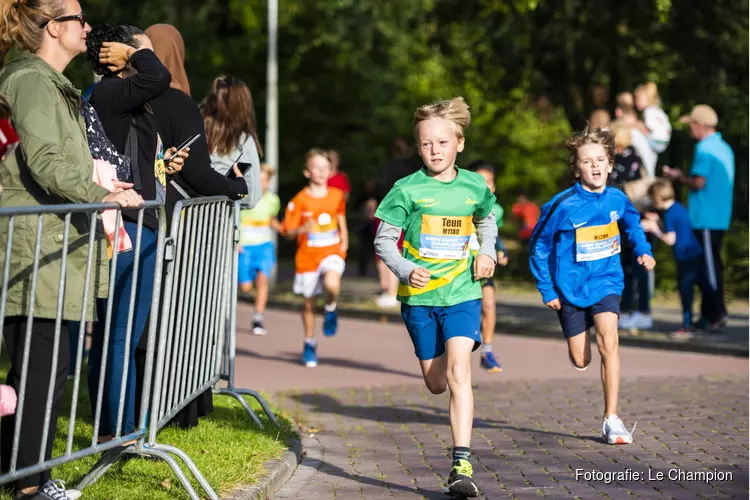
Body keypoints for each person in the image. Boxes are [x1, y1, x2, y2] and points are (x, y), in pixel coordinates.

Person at [0, 1, 142, 498]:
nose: (87, 27)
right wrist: (101, 195)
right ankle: (29, 486)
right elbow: (44, 158)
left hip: (57, 244)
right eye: (78, 19)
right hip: (37, 249)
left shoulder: (49, 84)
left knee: (49, 368)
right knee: (41, 370)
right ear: (54, 28)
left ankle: (26, 475)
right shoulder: (31, 80)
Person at [374, 97, 497, 498]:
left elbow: (488, 218)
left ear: (459, 143)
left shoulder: (474, 185)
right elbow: (383, 241)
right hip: (420, 298)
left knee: (461, 370)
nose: (435, 151)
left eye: (443, 143)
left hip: (462, 293)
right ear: (417, 146)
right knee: (435, 383)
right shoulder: (405, 189)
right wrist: (406, 270)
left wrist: (487, 252)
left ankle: (461, 462)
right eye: (427, 144)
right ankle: (437, 357)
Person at [144, 24, 253, 430]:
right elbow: (197, 172)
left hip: (134, 218)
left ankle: (128, 412)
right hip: (177, 223)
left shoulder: (114, 97)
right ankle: (181, 408)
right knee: (182, 313)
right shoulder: (176, 101)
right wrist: (234, 188)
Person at [86, 23, 187, 444]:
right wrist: (138, 52)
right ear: (121, 53)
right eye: (141, 48)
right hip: (128, 223)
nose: (150, 55)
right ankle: (120, 430)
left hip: (131, 219)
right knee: (123, 328)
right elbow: (160, 76)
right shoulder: (112, 91)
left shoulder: (108, 96)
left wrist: (162, 163)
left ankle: (112, 424)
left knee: (115, 328)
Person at [529, 126, 655, 446]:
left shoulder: (617, 197)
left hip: (607, 280)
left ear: (611, 164)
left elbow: (632, 223)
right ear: (577, 169)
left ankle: (611, 418)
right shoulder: (562, 205)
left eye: (601, 160)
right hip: (569, 288)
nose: (595, 166)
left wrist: (642, 250)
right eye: (587, 161)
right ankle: (576, 328)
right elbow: (538, 247)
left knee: (609, 341)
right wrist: (547, 289)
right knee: (581, 359)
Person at [663, 105, 734, 331]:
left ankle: (716, 314)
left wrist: (678, 177)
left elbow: (699, 182)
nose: (690, 129)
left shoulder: (705, 149)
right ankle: (708, 314)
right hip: (719, 215)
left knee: (709, 268)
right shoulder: (724, 147)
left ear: (700, 125)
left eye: (691, 124)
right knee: (710, 266)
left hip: (706, 218)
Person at [281, 149, 348, 367]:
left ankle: (330, 308)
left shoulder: (337, 195)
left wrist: (344, 241)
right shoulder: (299, 200)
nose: (321, 171)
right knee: (308, 304)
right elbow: (287, 231)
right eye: (316, 167)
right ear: (307, 172)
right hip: (307, 257)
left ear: (330, 171)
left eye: (325, 167)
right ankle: (310, 343)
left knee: (332, 283)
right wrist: (301, 228)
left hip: (332, 251)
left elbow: (341, 220)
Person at [641, 180, 712, 339]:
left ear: (658, 198)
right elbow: (676, 229)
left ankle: (687, 325)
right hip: (694, 254)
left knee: (686, 290)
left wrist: (654, 229)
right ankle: (702, 321)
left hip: (686, 257)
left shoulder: (670, 213)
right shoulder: (678, 208)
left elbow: (670, 239)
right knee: (699, 288)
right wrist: (658, 221)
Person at [607, 123, 651, 330]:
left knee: (637, 267)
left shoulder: (630, 160)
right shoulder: (615, 160)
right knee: (623, 266)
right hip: (617, 219)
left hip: (629, 218)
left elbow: (620, 188)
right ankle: (624, 310)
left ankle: (642, 311)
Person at [467, 160, 507, 373]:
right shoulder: (460, 204)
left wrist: (501, 252)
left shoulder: (496, 210)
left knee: (489, 304)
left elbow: (494, 236)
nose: (485, 187)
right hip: (461, 268)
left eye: (489, 182)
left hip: (483, 266)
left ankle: (488, 351)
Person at [200, 74, 263, 207]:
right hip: (222, 221)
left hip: (186, 219)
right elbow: (251, 198)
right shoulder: (243, 141)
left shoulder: (194, 130)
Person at [238, 164, 281, 335]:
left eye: (264, 180)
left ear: (269, 182)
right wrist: (237, 241)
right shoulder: (244, 197)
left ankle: (258, 318)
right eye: (258, 180)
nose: (261, 184)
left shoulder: (273, 200)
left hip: (264, 245)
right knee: (246, 287)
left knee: (263, 280)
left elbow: (272, 219)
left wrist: (284, 228)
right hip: (245, 246)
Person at [634, 82, 672, 154]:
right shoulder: (658, 110)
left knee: (636, 127)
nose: (636, 102)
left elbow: (648, 128)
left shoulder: (648, 111)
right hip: (664, 142)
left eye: (638, 99)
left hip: (656, 142)